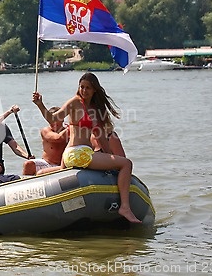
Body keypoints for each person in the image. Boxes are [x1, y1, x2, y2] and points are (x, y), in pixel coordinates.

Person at [32, 72, 141, 223]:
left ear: (95, 89)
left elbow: (101, 137)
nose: (84, 90)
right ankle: (125, 207)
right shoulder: (75, 102)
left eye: (88, 88)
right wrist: (40, 104)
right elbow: (53, 118)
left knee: (119, 162)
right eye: (82, 87)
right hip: (77, 153)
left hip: (75, 154)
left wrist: (110, 158)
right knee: (126, 164)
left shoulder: (95, 109)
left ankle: (41, 174)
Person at [22, 106, 68, 175]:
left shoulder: (69, 131)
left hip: (61, 165)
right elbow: (57, 138)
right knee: (28, 164)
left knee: (40, 173)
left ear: (62, 119)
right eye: (50, 120)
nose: (53, 122)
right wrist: (72, 127)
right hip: (46, 163)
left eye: (55, 119)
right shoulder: (45, 130)